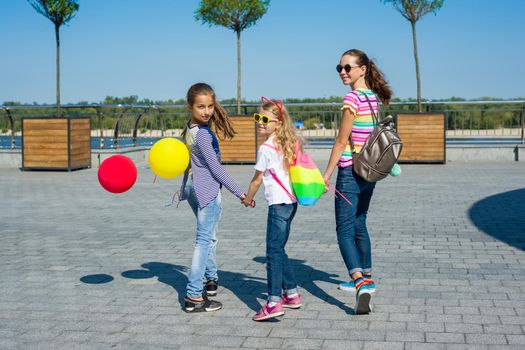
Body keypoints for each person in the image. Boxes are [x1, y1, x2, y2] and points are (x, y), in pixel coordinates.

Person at [322, 49, 392, 314]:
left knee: (344, 229)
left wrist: (327, 174)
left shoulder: (352, 98)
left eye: (347, 68)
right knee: (360, 222)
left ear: (362, 69)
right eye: (339, 68)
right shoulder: (372, 97)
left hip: (351, 171)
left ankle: (360, 283)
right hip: (371, 170)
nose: (342, 72)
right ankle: (368, 278)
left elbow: (341, 141)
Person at [179, 82, 250, 313]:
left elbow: (187, 161)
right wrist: (241, 192)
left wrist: (183, 187)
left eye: (209, 106)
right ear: (190, 106)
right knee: (203, 242)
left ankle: (210, 281)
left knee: (208, 238)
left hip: (193, 188)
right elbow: (215, 169)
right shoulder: (202, 135)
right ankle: (193, 296)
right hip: (207, 191)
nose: (206, 111)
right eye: (201, 107)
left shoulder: (190, 128)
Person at [242, 97, 302, 321]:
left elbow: (257, 180)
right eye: (258, 118)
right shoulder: (289, 142)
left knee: (273, 252)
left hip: (278, 204)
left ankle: (274, 302)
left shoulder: (266, 148)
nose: (260, 122)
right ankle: (292, 294)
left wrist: (248, 199)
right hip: (292, 202)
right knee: (280, 248)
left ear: (278, 122)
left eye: (265, 119)